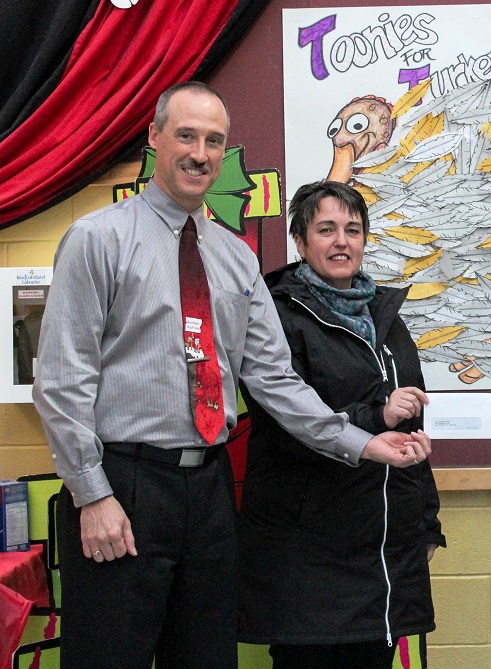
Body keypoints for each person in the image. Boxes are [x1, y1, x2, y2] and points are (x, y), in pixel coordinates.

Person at [32, 82, 430, 669]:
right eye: (186, 135)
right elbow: (63, 381)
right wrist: (92, 494)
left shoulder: (235, 257)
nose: (200, 153)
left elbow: (275, 379)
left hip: (210, 492)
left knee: (205, 656)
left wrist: (364, 441)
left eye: (213, 141)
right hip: (124, 483)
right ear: (154, 138)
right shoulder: (98, 240)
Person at [238, 180, 444, 669]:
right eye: (326, 229)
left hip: (380, 551)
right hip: (304, 551)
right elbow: (284, 423)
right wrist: (376, 417)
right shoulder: (277, 315)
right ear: (301, 241)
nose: (341, 242)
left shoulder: (388, 319)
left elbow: (413, 432)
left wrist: (426, 525)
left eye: (353, 230)